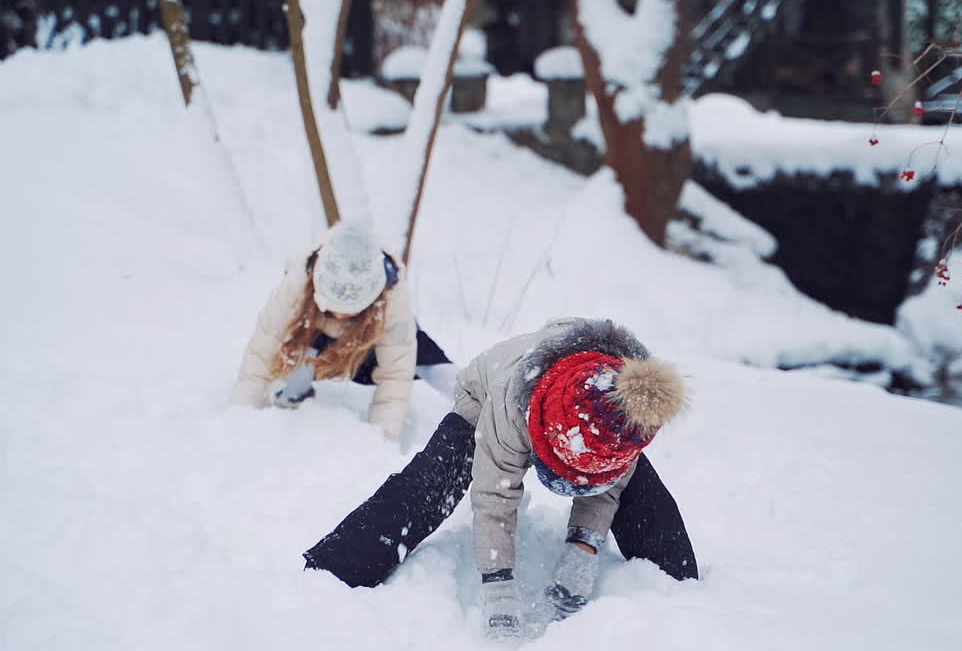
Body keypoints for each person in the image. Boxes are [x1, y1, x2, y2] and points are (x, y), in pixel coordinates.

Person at [301, 318, 698, 640]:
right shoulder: (511, 402)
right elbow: (495, 493)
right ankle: (332, 570)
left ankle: (679, 594)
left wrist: (583, 548)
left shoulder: (628, 416)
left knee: (640, 490)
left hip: (582, 419)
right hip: (487, 398)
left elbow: (608, 481)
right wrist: (499, 586)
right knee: (430, 485)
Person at [230, 221, 455, 442]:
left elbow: (395, 375)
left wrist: (382, 440)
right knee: (296, 345)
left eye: (350, 308)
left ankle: (471, 397)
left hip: (369, 350)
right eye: (334, 305)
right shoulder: (298, 281)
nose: (339, 315)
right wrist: (242, 413)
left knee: (416, 353)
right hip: (320, 344)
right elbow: (263, 349)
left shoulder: (392, 294)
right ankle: (292, 397)